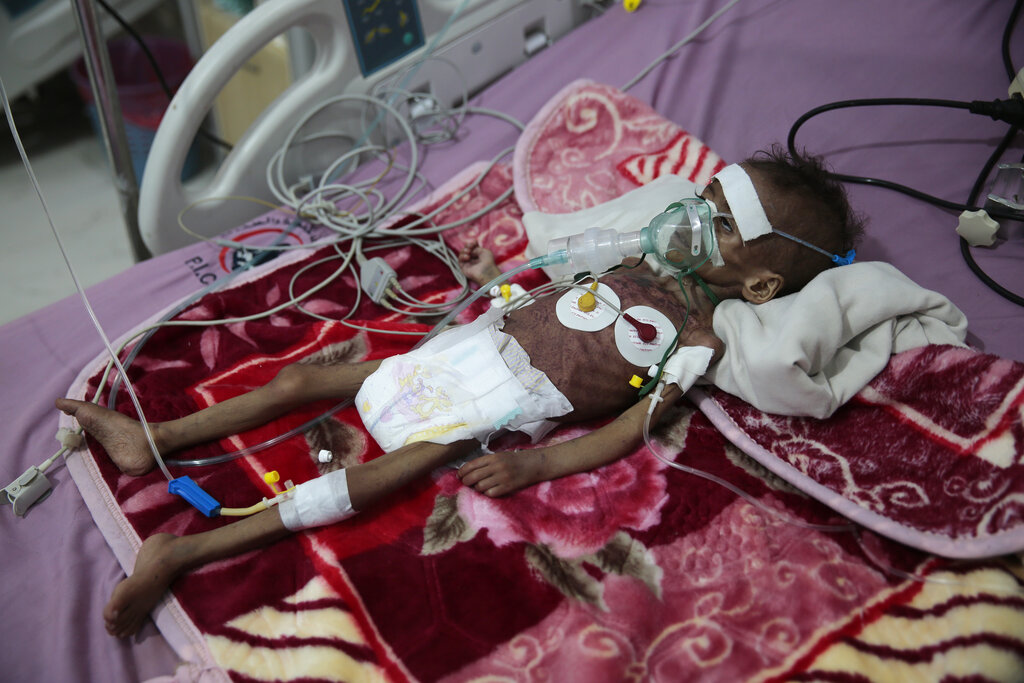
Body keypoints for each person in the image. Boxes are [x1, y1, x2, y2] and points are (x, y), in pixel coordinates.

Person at [56, 147, 863, 638]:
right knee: (304, 379)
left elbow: (628, 433)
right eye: (706, 201)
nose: (689, 221)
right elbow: (554, 288)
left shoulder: (698, 337)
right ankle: (149, 441)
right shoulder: (639, 263)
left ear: (759, 283)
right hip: (478, 339)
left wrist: (531, 469)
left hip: (508, 401)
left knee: (384, 472)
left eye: (720, 226)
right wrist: (490, 281)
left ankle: (184, 551)